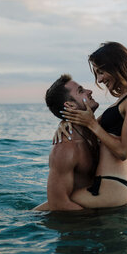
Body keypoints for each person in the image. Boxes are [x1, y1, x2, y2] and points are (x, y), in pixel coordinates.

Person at [58, 42, 127, 208]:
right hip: (120, 186)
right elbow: (90, 126)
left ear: (116, 66)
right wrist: (65, 122)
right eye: (97, 74)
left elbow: (123, 151)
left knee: (48, 209)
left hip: (113, 185)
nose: (100, 79)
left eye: (101, 72)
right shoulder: (125, 99)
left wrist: (92, 124)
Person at [33, 74, 100, 211]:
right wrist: (98, 222)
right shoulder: (66, 147)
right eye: (81, 91)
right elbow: (58, 204)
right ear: (70, 105)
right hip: (75, 225)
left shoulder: (93, 130)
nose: (89, 91)